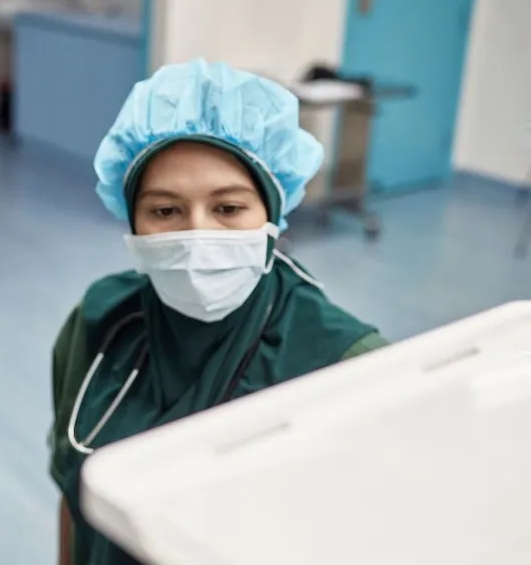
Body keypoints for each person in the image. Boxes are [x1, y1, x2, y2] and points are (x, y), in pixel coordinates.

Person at [48, 59, 387, 565]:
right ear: (132, 223)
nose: (198, 234)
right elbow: (74, 499)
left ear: (271, 219)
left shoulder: (343, 360)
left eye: (228, 209)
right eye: (165, 211)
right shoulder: (101, 321)